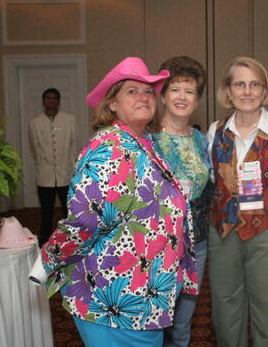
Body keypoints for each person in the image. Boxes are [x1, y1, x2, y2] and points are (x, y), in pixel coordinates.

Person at [39, 57, 198, 347]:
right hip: (115, 303)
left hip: (140, 302)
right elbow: (83, 224)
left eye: (149, 91)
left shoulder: (141, 143)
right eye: (132, 91)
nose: (144, 97)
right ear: (112, 103)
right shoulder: (110, 148)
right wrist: (45, 261)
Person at [207, 56, 268, 347]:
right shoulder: (215, 130)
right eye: (239, 84)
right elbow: (213, 183)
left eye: (254, 84)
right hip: (223, 233)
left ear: (264, 90)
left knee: (266, 312)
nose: (247, 91)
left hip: (267, 232)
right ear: (229, 90)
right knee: (225, 312)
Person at [152, 56, 212, 347]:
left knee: (182, 324)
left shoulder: (202, 141)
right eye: (175, 89)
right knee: (154, 324)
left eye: (189, 91)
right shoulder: (146, 140)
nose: (182, 96)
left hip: (195, 245)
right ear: (162, 94)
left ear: (197, 99)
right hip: (156, 248)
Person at [29, 88, 76, 246]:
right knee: (46, 212)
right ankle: (45, 242)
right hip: (45, 176)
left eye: (54, 98)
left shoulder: (69, 120)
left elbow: (74, 145)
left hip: (66, 174)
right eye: (48, 98)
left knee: (69, 211)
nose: (51, 101)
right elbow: (35, 149)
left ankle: (71, 240)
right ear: (43, 101)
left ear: (59, 101)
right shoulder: (35, 123)